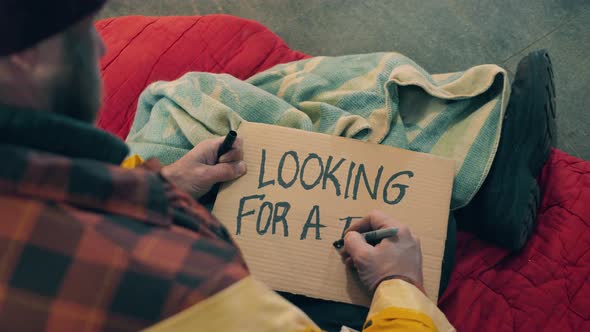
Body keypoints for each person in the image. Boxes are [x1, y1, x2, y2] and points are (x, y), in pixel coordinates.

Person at [0, 1, 454, 331]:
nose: (99, 47)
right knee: (434, 235)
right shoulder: (200, 291)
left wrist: (162, 182)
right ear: (26, 57)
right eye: (82, 30)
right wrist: (399, 288)